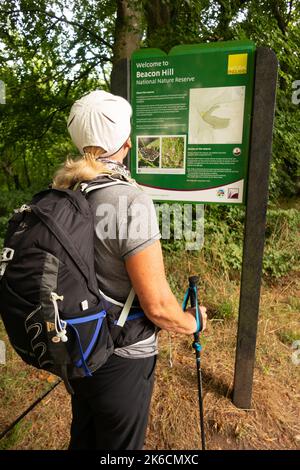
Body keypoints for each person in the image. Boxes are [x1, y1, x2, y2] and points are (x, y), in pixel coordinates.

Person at [52, 90, 207, 450]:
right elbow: (158, 307)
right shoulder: (128, 200)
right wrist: (194, 321)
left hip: (79, 348)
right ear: (125, 141)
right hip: (122, 359)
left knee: (85, 436)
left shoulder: (66, 192)